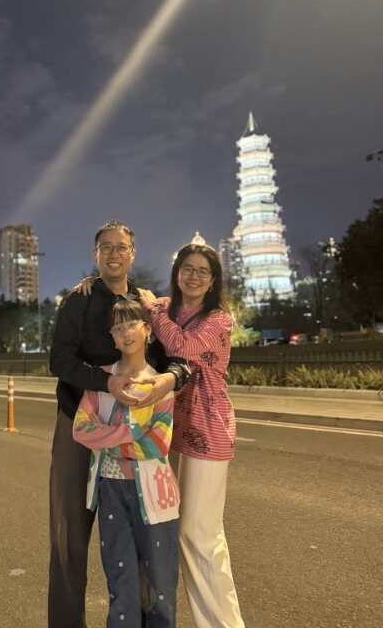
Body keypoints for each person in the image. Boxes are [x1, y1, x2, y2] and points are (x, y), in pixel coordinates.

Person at [48, 220, 189, 628]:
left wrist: (170, 379)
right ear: (96, 255)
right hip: (81, 421)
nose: (114, 253)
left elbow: (174, 358)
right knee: (69, 535)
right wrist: (107, 382)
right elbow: (60, 361)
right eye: (106, 247)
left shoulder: (147, 304)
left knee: (143, 534)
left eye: (121, 247)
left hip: (141, 428)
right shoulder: (79, 301)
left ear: (133, 254)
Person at [140, 234, 245, 628]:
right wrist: (90, 285)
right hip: (170, 428)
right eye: (187, 269)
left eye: (203, 272)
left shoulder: (218, 319)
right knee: (186, 532)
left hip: (208, 427)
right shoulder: (164, 308)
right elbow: (131, 302)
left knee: (199, 534)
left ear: (214, 280)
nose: (194, 276)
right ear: (176, 273)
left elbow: (182, 346)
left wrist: (153, 308)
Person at [72, 297, 180, 627]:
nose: (125, 333)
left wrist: (109, 437)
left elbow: (159, 443)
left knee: (161, 584)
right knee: (120, 579)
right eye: (117, 328)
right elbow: (80, 429)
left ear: (147, 330)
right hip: (110, 491)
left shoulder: (161, 383)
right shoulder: (102, 381)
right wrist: (131, 431)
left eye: (131, 324)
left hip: (155, 492)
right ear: (112, 337)